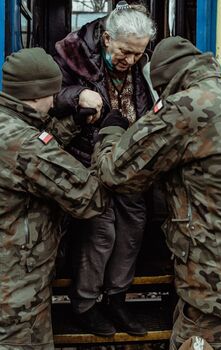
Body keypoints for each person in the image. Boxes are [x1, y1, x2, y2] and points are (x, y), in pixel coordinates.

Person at [94, 36, 221, 350]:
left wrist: (112, 128)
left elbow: (116, 172)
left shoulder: (186, 107)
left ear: (166, 81)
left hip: (219, 288)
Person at [52, 1, 157, 336]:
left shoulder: (143, 62)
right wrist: (78, 95)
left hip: (129, 160)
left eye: (138, 54)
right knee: (101, 231)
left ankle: (117, 299)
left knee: (132, 226)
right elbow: (47, 94)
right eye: (125, 52)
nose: (131, 61)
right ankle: (84, 304)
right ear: (108, 38)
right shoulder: (71, 51)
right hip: (88, 157)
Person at [0, 47, 109, 350]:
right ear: (37, 94)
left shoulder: (9, 127)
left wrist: (73, 123)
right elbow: (90, 198)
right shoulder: (26, 146)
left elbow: (32, 158)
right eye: (53, 92)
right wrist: (109, 140)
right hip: (16, 295)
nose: (55, 100)